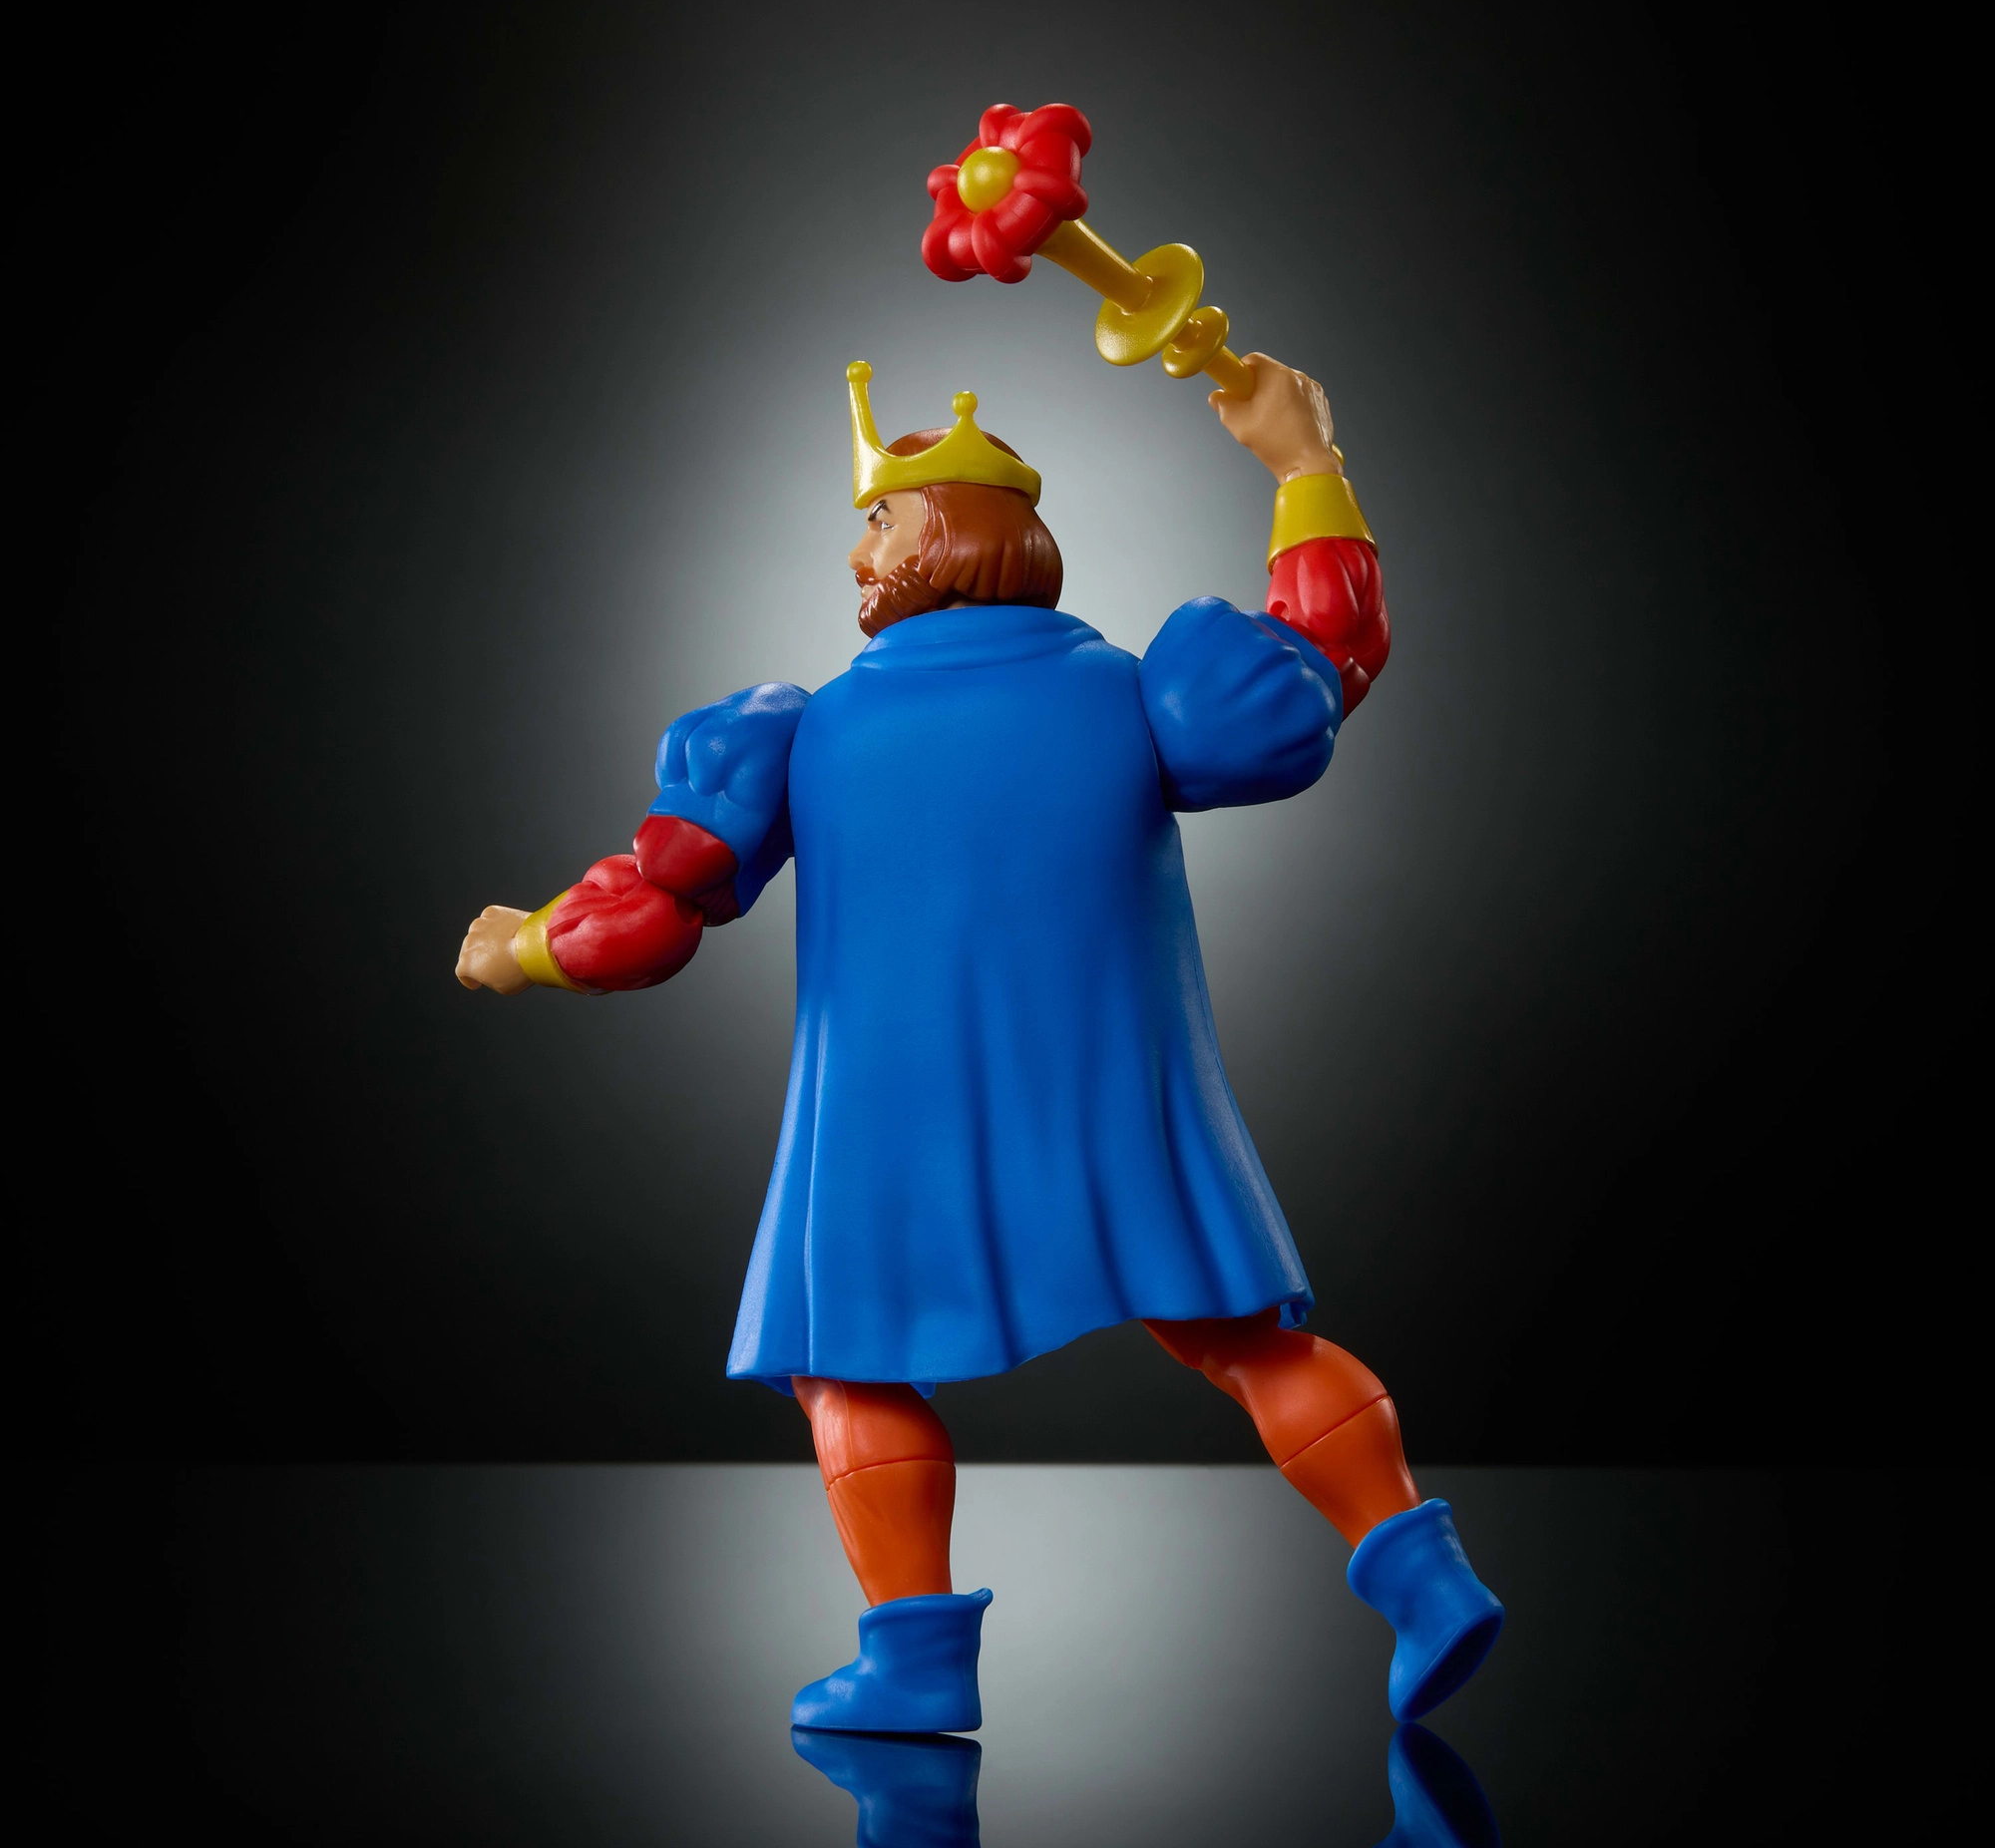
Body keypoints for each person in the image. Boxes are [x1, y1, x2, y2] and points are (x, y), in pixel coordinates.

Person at [456, 355, 1501, 1732]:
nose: (857, 554)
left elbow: (652, 912)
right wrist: (1305, 463)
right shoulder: (1130, 693)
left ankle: (913, 1664)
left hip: (886, 1119)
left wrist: (523, 946)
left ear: (949, 529)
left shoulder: (803, 730)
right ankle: (1423, 1577)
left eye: (880, 522)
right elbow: (1317, 667)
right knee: (1247, 1343)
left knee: (848, 1364)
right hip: (1108, 1095)